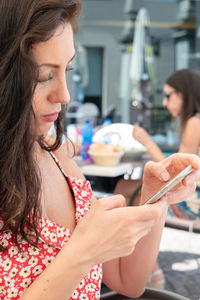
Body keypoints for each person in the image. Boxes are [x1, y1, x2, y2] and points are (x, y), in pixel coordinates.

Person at [0, 2, 200, 299]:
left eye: (66, 69)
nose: (64, 94)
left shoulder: (59, 157)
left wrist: (155, 197)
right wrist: (81, 252)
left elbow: (126, 281)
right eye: (44, 76)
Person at [133, 68, 200, 219]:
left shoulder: (194, 122)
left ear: (182, 95)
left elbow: (175, 173)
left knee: (129, 191)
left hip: (193, 203)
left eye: (168, 96)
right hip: (192, 193)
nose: (164, 102)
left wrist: (147, 142)